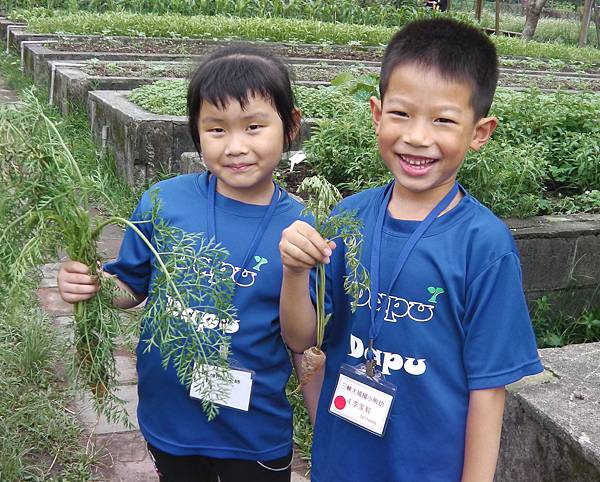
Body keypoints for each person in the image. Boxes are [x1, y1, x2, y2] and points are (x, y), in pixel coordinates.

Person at [279, 18, 543, 482]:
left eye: (443, 120)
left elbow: (489, 390)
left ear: (479, 132)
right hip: (340, 464)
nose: (418, 136)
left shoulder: (484, 245)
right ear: (377, 114)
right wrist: (294, 272)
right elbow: (302, 340)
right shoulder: (347, 219)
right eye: (401, 114)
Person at [58, 45, 319, 482]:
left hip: (253, 428)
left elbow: (301, 337)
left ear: (290, 125)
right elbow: (131, 286)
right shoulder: (164, 200)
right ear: (196, 132)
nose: (236, 146)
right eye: (216, 129)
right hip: (170, 417)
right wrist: (94, 283)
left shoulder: (299, 225)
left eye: (254, 126)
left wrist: (295, 270)